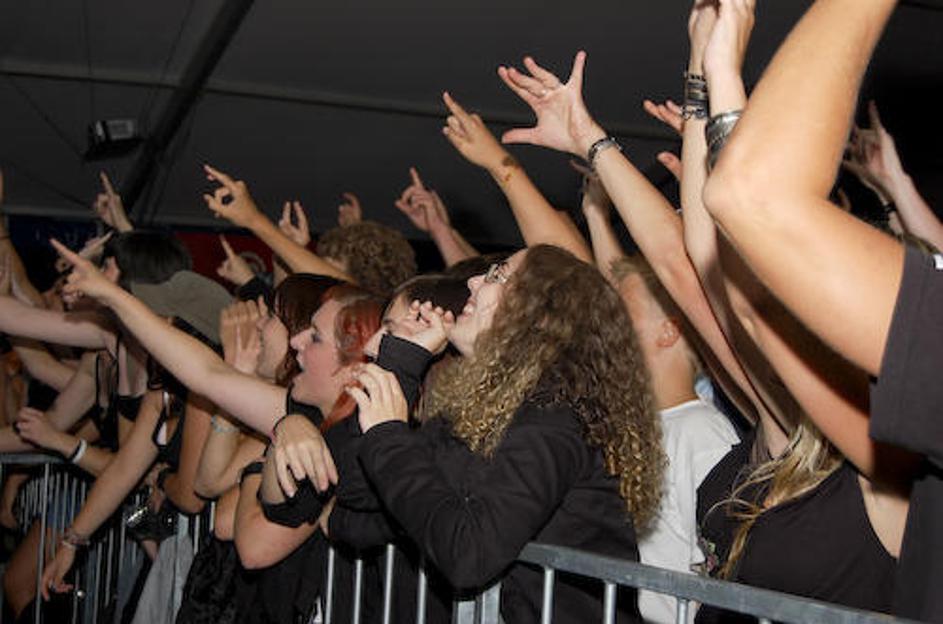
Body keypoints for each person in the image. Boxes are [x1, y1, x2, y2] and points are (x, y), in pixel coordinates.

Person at [350, 244, 663, 623]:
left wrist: (389, 435)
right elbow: (353, 504)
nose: (472, 281)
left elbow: (468, 554)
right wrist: (404, 363)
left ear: (540, 316)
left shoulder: (554, 423)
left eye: (497, 275)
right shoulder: (482, 413)